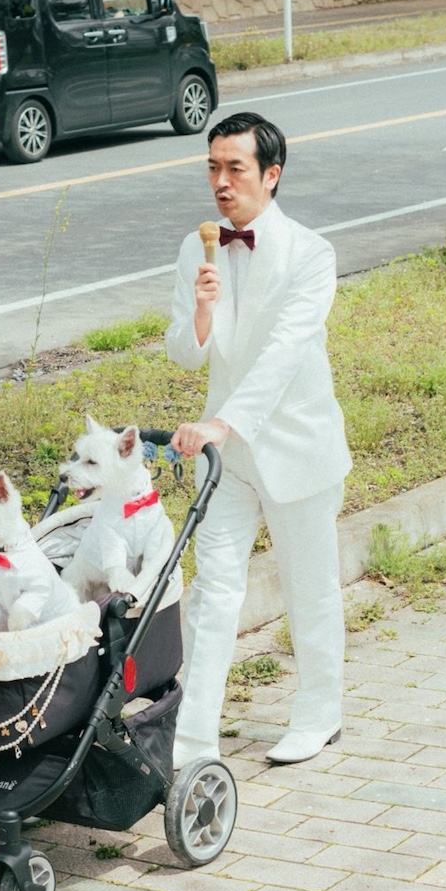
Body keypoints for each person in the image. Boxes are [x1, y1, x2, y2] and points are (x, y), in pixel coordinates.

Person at [167, 110, 351, 767]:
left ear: (270, 176)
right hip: (228, 459)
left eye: (235, 168)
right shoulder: (198, 246)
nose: (221, 181)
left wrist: (222, 422)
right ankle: (191, 740)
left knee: (310, 589)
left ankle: (319, 715)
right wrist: (202, 311)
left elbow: (281, 356)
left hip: (296, 446)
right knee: (213, 593)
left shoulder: (312, 254)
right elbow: (185, 355)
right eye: (212, 167)